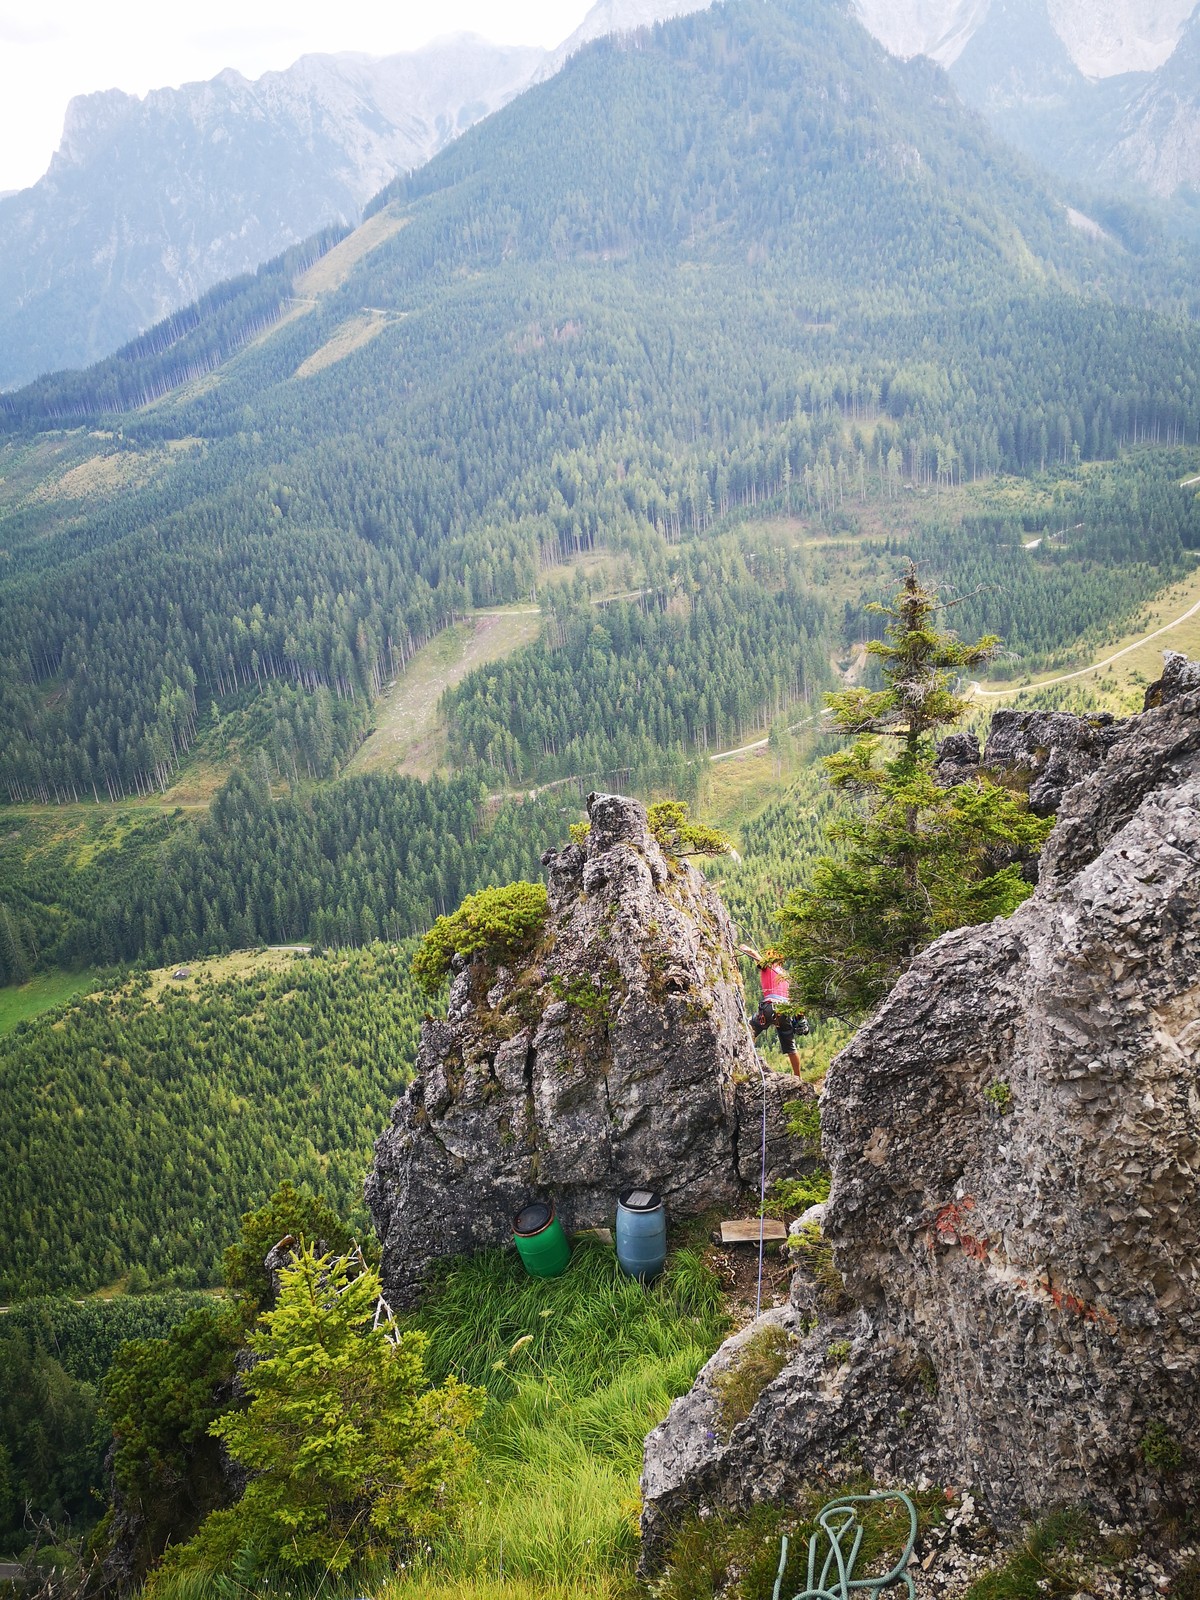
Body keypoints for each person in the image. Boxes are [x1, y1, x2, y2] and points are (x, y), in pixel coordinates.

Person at [738, 943, 808, 1077]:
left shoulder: (769, 966)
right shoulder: (785, 976)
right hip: (785, 1011)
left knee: (748, 1031)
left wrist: (746, 949)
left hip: (769, 1008)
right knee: (791, 1048)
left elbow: (757, 957)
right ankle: (798, 1077)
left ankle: (746, 1061)